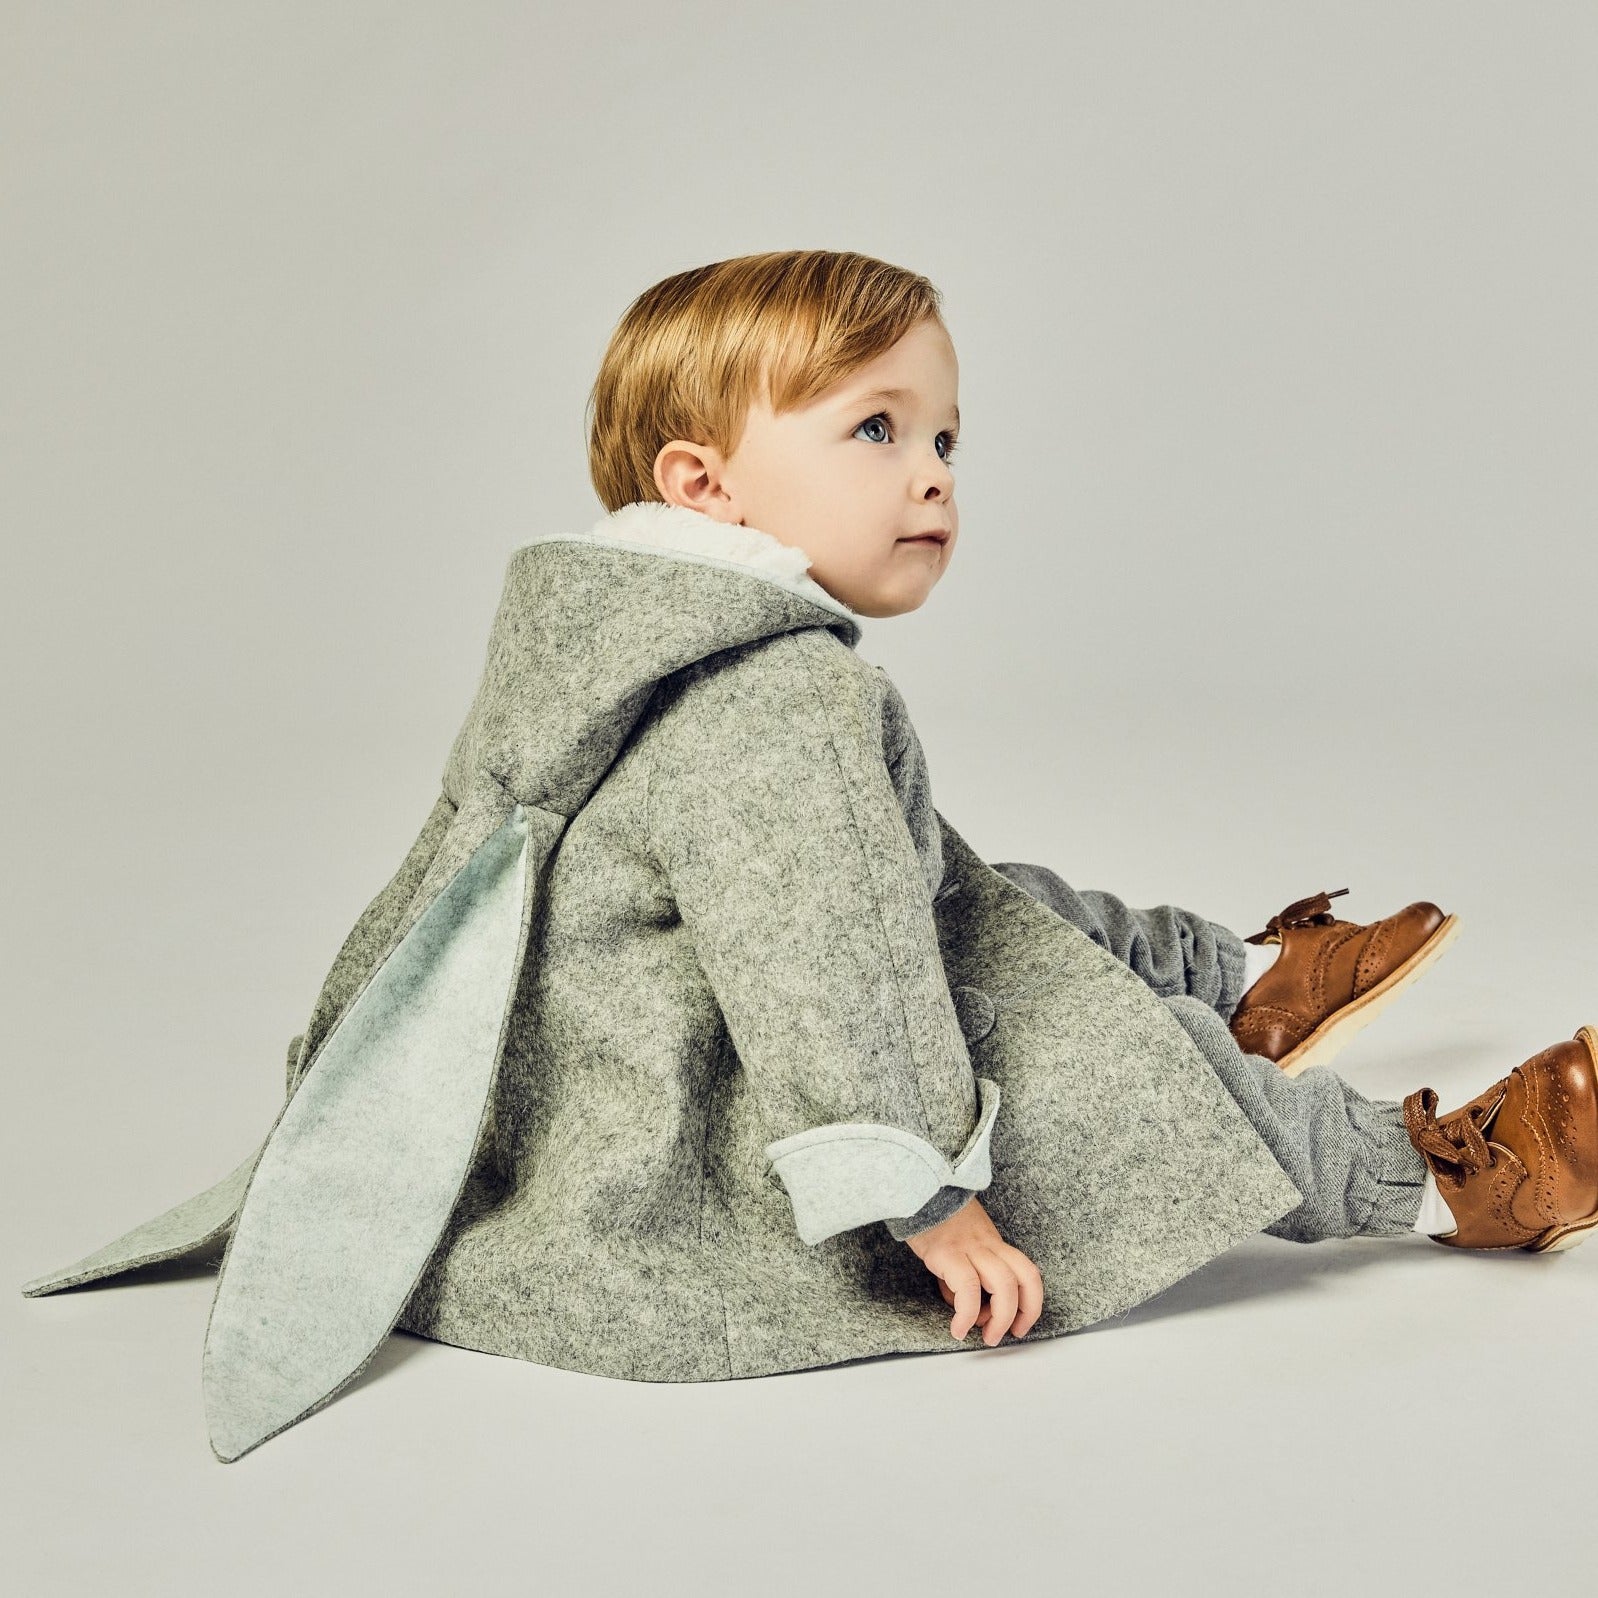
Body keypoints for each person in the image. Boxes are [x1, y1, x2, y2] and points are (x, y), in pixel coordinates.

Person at [23, 248, 1598, 1462]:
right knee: (1113, 1067)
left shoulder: (607, 632)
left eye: (944, 435)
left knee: (986, 901)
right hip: (688, 1126)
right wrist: (921, 1192)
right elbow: (819, 966)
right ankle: (1441, 1176)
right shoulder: (780, 698)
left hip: (586, 1062)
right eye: (872, 428)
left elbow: (875, 886)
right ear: (699, 482)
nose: (931, 474)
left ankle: (1250, 973)